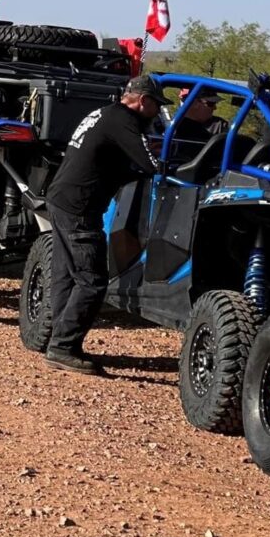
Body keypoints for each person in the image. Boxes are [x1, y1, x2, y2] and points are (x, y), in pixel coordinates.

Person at [43, 74, 170, 375]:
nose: (156, 114)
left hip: (62, 199)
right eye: (156, 106)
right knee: (92, 280)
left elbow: (114, 163)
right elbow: (151, 164)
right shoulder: (124, 120)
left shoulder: (104, 113)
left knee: (67, 276)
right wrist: (179, 167)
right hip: (79, 207)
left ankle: (56, 341)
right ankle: (62, 348)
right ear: (143, 101)